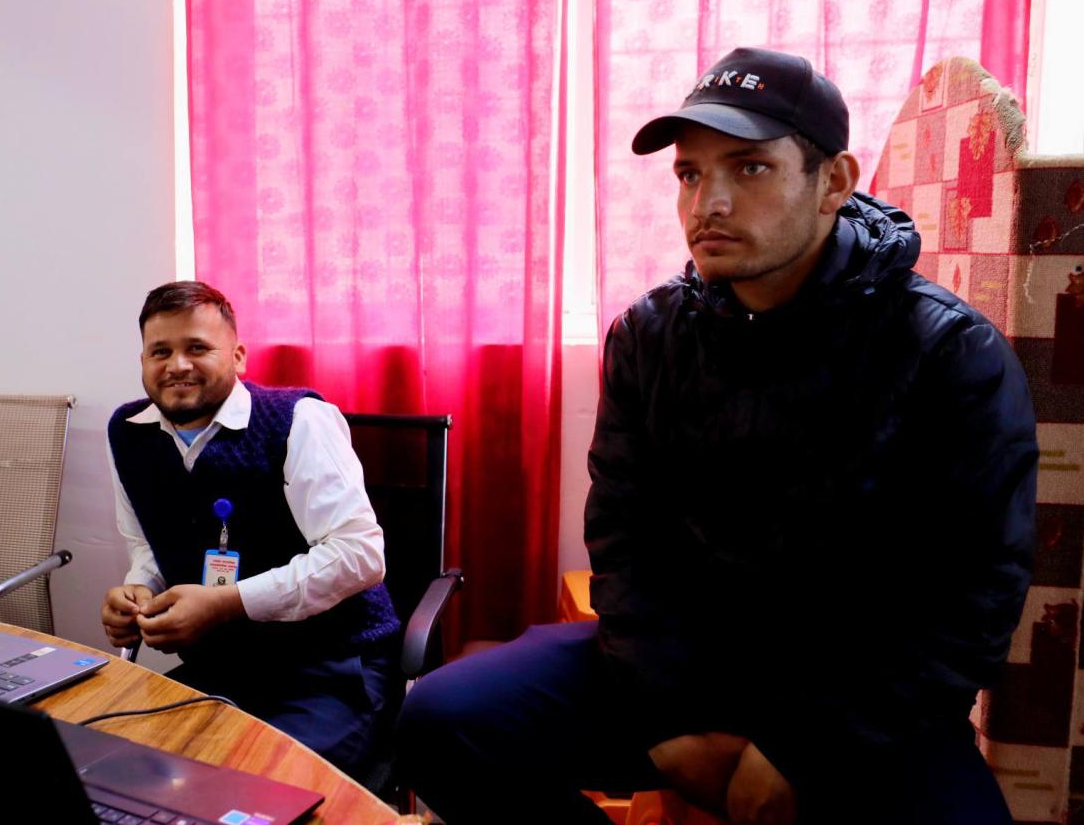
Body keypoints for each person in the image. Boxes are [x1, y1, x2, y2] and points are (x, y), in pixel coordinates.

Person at [396, 48, 1037, 824]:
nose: (710, 202)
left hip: (863, 688)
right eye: (689, 174)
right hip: (689, 665)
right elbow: (625, 541)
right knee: (442, 721)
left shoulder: (946, 351)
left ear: (833, 181)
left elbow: (969, 599)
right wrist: (667, 720)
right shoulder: (650, 334)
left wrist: (802, 746)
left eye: (750, 168)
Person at [100, 281, 400, 777]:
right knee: (110, 764)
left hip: (332, 668)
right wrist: (140, 589)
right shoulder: (128, 433)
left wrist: (225, 603)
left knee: (251, 785)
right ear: (143, 360)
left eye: (198, 347)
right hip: (221, 667)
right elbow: (148, 545)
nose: (177, 365)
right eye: (161, 351)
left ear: (238, 356)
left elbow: (359, 556)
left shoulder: (297, 420)